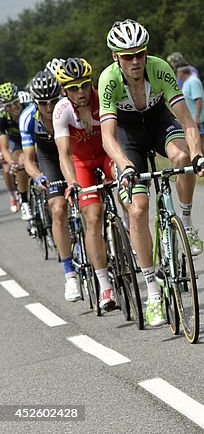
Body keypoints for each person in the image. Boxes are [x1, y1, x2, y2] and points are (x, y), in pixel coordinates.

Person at [98, 19, 204, 327]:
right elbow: (108, 136)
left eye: (139, 54)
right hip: (128, 136)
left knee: (181, 156)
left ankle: (186, 224)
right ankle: (152, 291)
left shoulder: (160, 68)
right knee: (138, 208)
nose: (135, 61)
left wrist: (198, 155)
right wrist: (124, 167)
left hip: (160, 122)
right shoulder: (108, 80)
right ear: (116, 58)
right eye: (127, 56)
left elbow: (187, 119)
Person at [51, 59, 119, 312]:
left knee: (129, 194)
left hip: (105, 155)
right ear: (64, 90)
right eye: (73, 88)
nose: (81, 92)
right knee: (92, 217)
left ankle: (133, 240)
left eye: (84, 85)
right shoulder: (61, 111)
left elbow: (116, 137)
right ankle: (105, 285)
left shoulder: (102, 98)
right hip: (82, 164)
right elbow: (65, 154)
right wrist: (71, 183)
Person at [19, 70, 81, 302]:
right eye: (43, 103)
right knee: (57, 208)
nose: (48, 107)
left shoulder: (69, 109)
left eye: (53, 101)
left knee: (91, 204)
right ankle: (70, 275)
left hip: (73, 152)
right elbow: (28, 159)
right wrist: (37, 177)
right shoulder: (28, 118)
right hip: (48, 157)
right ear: (36, 102)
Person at [171, 57, 204, 162]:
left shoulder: (193, 81)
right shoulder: (187, 82)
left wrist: (197, 117)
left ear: (181, 72)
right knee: (199, 139)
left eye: (177, 73)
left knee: (203, 139)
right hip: (193, 117)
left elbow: (198, 99)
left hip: (197, 117)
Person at [0, 82, 30, 218]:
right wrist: (12, 163)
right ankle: (23, 201)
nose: (13, 107)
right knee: (14, 165)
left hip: (30, 140)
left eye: (15, 102)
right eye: (8, 105)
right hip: (15, 143)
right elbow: (4, 148)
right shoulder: (3, 119)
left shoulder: (27, 109)